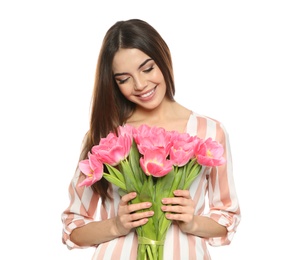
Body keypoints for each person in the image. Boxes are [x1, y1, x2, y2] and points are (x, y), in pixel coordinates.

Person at [61, 18, 241, 259]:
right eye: (123, 79)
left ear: (163, 59)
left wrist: (193, 222)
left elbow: (228, 216)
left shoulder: (208, 132)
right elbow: (73, 227)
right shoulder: (106, 136)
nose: (140, 84)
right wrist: (116, 225)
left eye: (147, 69)